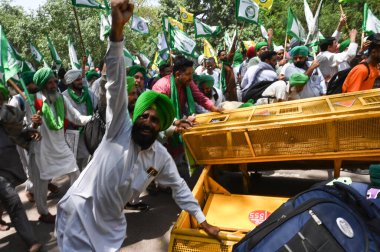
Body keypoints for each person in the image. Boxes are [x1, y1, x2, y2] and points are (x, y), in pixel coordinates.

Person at [56, 2, 220, 250]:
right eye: (144, 116)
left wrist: (202, 221)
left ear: (160, 127)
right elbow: (115, 79)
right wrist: (117, 29)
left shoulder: (160, 157)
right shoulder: (118, 128)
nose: (147, 122)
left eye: (155, 120)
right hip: (78, 214)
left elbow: (180, 188)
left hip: (110, 226)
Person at [29, 67, 91, 223]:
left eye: (54, 81)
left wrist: (94, 118)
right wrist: (32, 124)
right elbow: (24, 129)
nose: (53, 85)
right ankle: (43, 212)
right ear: (42, 85)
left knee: (75, 171)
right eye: (49, 82)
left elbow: (77, 118)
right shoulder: (32, 102)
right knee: (42, 182)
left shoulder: (60, 99)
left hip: (60, 145)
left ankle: (76, 201)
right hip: (42, 148)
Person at [0, 83, 42, 252]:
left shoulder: (6, 116)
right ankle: (30, 241)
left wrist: (31, 130)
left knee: (8, 197)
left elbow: (17, 131)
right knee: (11, 199)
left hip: (6, 165)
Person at [63, 69, 98, 171]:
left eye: (81, 79)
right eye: (77, 80)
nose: (81, 82)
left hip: (90, 133)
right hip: (72, 134)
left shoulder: (89, 93)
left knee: (88, 160)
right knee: (74, 164)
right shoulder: (64, 96)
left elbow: (97, 109)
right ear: (70, 82)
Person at [218, 35, 238, 101]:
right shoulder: (220, 66)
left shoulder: (228, 63)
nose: (225, 56)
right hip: (227, 91)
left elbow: (232, 52)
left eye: (225, 54)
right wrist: (226, 91)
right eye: (222, 55)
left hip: (233, 90)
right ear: (219, 57)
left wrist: (234, 41)